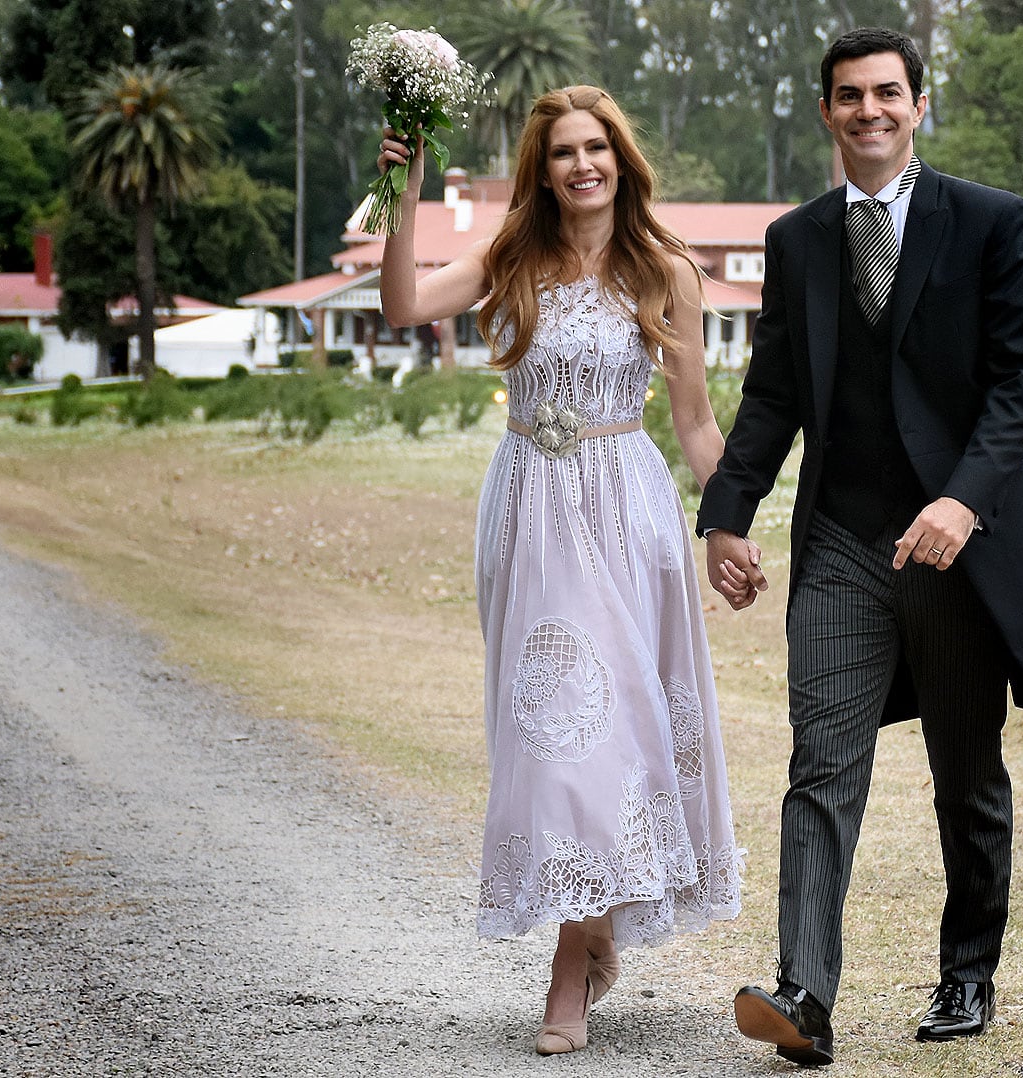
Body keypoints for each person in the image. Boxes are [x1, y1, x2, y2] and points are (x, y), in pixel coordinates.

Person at [696, 26, 1023, 1067]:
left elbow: (1021, 380)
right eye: (848, 96)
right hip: (840, 545)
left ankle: (966, 974)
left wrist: (963, 502)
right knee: (822, 764)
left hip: (960, 551)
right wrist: (728, 511)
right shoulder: (797, 240)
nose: (869, 110)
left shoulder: (991, 222)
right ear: (826, 111)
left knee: (967, 772)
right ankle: (805, 996)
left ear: (919, 106)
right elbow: (772, 394)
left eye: (887, 94)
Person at [376, 86, 747, 1056]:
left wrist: (731, 524)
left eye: (598, 148)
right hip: (531, 511)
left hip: (628, 509)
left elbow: (698, 421)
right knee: (555, 731)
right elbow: (405, 303)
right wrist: (404, 195)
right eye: (563, 152)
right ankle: (586, 941)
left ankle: (572, 965)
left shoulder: (665, 269)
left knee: (623, 731)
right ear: (540, 170)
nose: (583, 165)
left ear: (622, 159)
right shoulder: (512, 261)